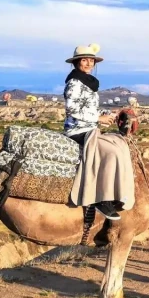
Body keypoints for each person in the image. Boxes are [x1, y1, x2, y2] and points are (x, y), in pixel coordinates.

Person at [63, 44, 126, 220]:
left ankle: (116, 194)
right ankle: (100, 198)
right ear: (77, 62)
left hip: (89, 128)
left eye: (91, 60)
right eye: (85, 60)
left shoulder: (87, 82)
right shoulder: (75, 82)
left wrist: (107, 115)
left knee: (120, 146)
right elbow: (72, 110)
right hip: (77, 130)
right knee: (110, 153)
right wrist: (99, 119)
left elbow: (88, 108)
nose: (89, 63)